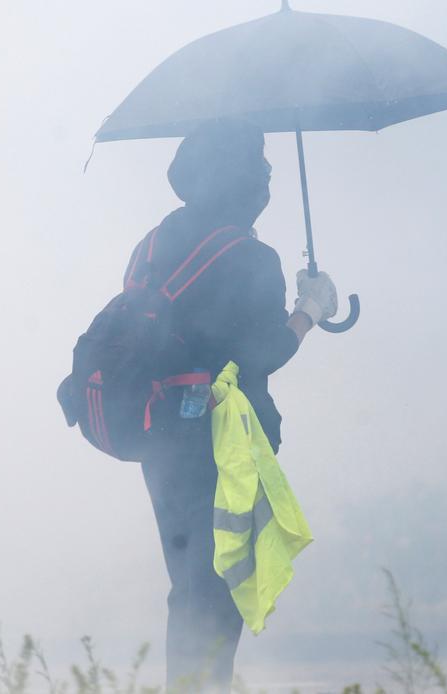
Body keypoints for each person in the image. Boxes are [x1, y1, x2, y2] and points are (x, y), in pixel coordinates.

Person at [133, 118, 338, 691]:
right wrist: (311, 309)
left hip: (158, 440)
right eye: (261, 171)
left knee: (188, 585)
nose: (266, 184)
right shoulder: (249, 256)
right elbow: (265, 351)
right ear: (241, 181)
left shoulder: (150, 245)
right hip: (222, 447)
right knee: (218, 591)